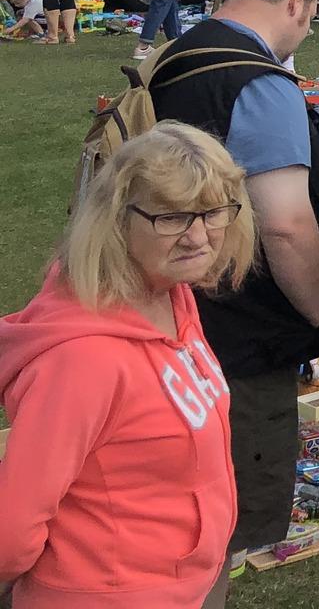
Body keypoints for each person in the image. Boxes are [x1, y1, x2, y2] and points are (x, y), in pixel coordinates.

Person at [149, 0, 319, 569]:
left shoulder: (170, 56)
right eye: (311, 16)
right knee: (216, 533)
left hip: (161, 317)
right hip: (240, 339)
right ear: (297, 1)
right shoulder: (259, 82)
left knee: (164, 522)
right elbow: (285, 222)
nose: (307, 31)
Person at [0, 123, 256, 609]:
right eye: (173, 217)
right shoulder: (83, 360)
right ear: (117, 220)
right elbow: (12, 524)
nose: (199, 236)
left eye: (213, 212)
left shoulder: (171, 296)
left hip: (175, 587)